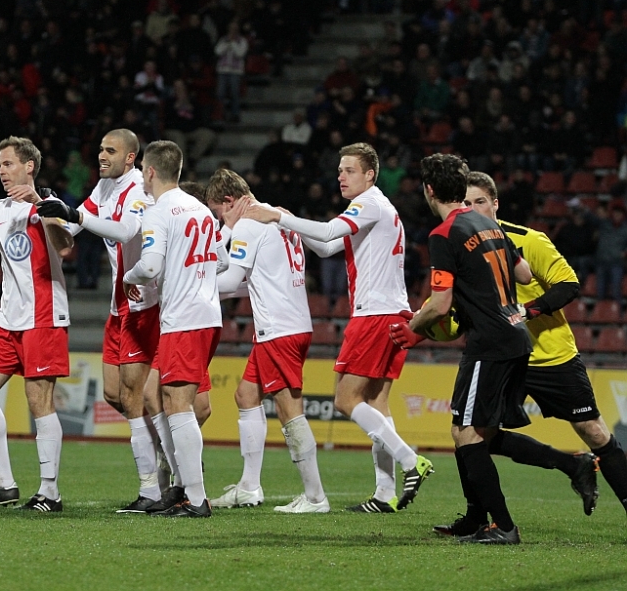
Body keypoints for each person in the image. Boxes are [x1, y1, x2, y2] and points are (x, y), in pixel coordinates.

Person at [245, 142, 433, 513]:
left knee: (346, 400)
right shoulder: (376, 208)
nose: (341, 177)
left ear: (370, 175)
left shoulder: (369, 204)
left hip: (374, 315)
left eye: (349, 171)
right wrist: (288, 221)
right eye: (339, 171)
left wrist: (278, 217)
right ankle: (385, 493)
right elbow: (328, 247)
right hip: (393, 313)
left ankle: (411, 460)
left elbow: (330, 232)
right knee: (376, 402)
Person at [390, 154, 535, 545]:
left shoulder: (444, 233)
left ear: (429, 190)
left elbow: (440, 304)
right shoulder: (489, 224)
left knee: (465, 432)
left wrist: (412, 326)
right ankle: (476, 520)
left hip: (489, 342)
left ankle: (504, 526)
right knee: (476, 432)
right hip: (516, 335)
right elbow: (524, 274)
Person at [36, 128, 175, 513]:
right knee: (115, 395)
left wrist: (73, 213)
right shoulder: (104, 188)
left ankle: (153, 487)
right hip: (118, 307)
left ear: (130, 158)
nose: (101, 155)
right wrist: (45, 208)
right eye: (100, 148)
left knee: (134, 397)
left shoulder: (138, 190)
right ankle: (165, 450)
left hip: (144, 304)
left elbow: (126, 230)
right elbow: (72, 229)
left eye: (110, 151)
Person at [465, 173, 619, 516]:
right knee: (473, 435)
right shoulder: (460, 247)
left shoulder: (528, 240)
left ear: (495, 204)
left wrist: (528, 310)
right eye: (465, 203)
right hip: (503, 357)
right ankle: (570, 466)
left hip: (550, 353)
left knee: (593, 432)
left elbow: (568, 284)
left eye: (480, 202)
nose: (473, 210)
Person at [0, 136, 75, 513]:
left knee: (39, 402)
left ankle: (50, 492)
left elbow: (64, 247)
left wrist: (41, 204)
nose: (1, 171)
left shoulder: (51, 204)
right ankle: (3, 483)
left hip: (44, 316)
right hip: (8, 319)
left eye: (7, 164)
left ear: (29, 166)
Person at [206, 169, 329, 514]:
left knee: (290, 410)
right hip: (291, 323)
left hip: (279, 329)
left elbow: (231, 279)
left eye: (218, 212)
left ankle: (315, 497)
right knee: (246, 395)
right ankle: (249, 487)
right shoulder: (278, 216)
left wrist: (186, 282)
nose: (220, 220)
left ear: (229, 201)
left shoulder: (249, 224)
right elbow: (256, 279)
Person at [122, 140, 228, 517]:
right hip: (207, 315)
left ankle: (195, 498)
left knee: (178, 406)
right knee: (159, 395)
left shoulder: (158, 211)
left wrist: (128, 277)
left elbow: (149, 266)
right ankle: (182, 487)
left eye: (143, 173)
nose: (142, 179)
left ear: (150, 171)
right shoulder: (201, 209)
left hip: (184, 318)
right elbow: (222, 261)